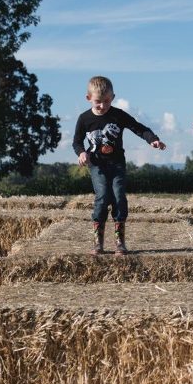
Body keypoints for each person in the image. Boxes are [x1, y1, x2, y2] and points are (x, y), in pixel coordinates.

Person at [73, 76, 166, 255]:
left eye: (106, 101)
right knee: (102, 197)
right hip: (97, 165)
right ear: (88, 98)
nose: (102, 106)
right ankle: (98, 242)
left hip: (117, 165)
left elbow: (139, 128)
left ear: (113, 97)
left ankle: (119, 242)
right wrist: (82, 153)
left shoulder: (118, 115)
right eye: (98, 102)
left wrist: (153, 140)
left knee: (118, 197)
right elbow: (77, 142)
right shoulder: (84, 118)